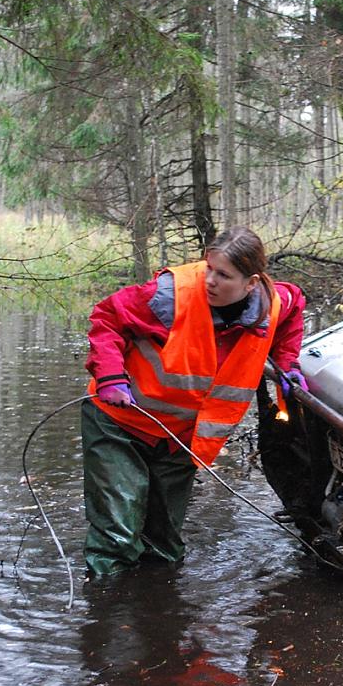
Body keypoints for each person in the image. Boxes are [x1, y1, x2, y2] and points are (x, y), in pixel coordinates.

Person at [82, 226, 307, 576]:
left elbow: (294, 312)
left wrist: (288, 364)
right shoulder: (169, 295)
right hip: (119, 423)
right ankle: (106, 613)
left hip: (181, 438)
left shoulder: (277, 302)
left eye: (224, 275)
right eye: (209, 268)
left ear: (252, 283)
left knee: (165, 544)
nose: (210, 281)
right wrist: (110, 375)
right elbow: (107, 318)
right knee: (119, 535)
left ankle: (160, 615)